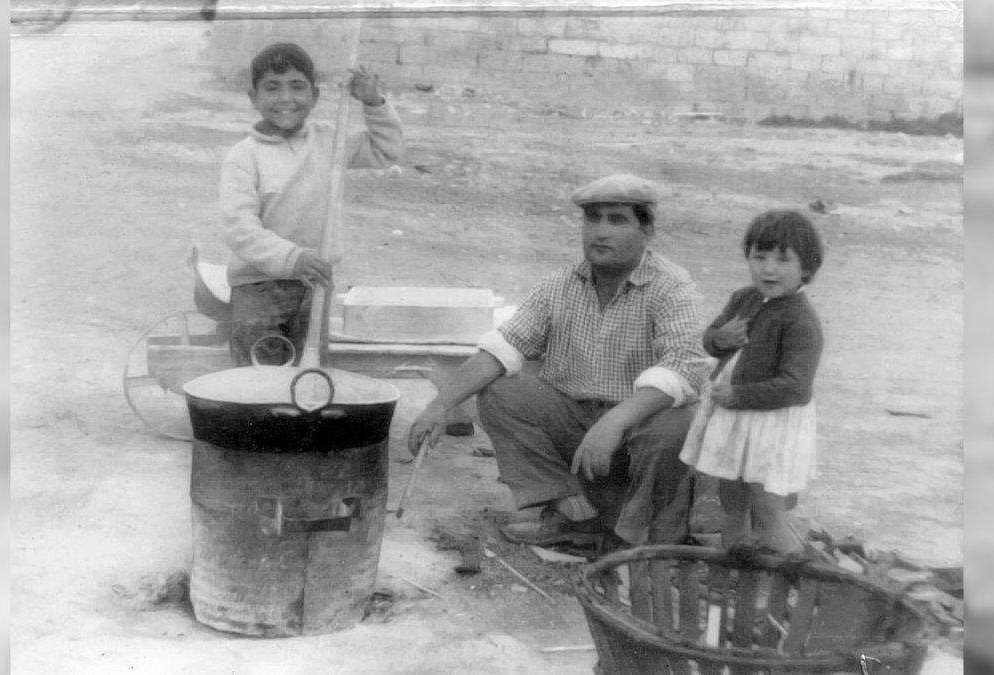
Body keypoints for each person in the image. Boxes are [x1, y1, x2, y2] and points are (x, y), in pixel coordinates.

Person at [407, 174, 712, 549]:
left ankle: (643, 541)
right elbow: (504, 346)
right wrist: (440, 404)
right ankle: (573, 516)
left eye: (617, 220)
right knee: (503, 390)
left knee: (676, 422)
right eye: (593, 218)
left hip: (636, 434)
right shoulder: (559, 285)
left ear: (646, 230)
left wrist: (615, 421)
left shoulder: (671, 287)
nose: (600, 232)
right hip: (576, 430)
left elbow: (685, 367)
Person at [220, 42, 404, 366]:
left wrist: (373, 102)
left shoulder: (329, 140)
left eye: (297, 87)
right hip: (257, 286)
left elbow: (385, 151)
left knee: (309, 375)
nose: (285, 98)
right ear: (253, 98)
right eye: (272, 88)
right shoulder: (243, 156)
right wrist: (293, 258)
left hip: (314, 285)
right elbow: (240, 229)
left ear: (315, 96)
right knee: (255, 378)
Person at [679, 209, 825, 555]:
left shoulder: (800, 320)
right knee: (731, 500)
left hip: (770, 426)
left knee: (767, 509)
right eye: (759, 257)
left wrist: (739, 395)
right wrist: (720, 339)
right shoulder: (743, 298)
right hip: (735, 419)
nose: (768, 268)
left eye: (782, 260)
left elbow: (796, 387)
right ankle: (737, 575)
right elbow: (710, 339)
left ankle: (793, 579)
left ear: (806, 267)